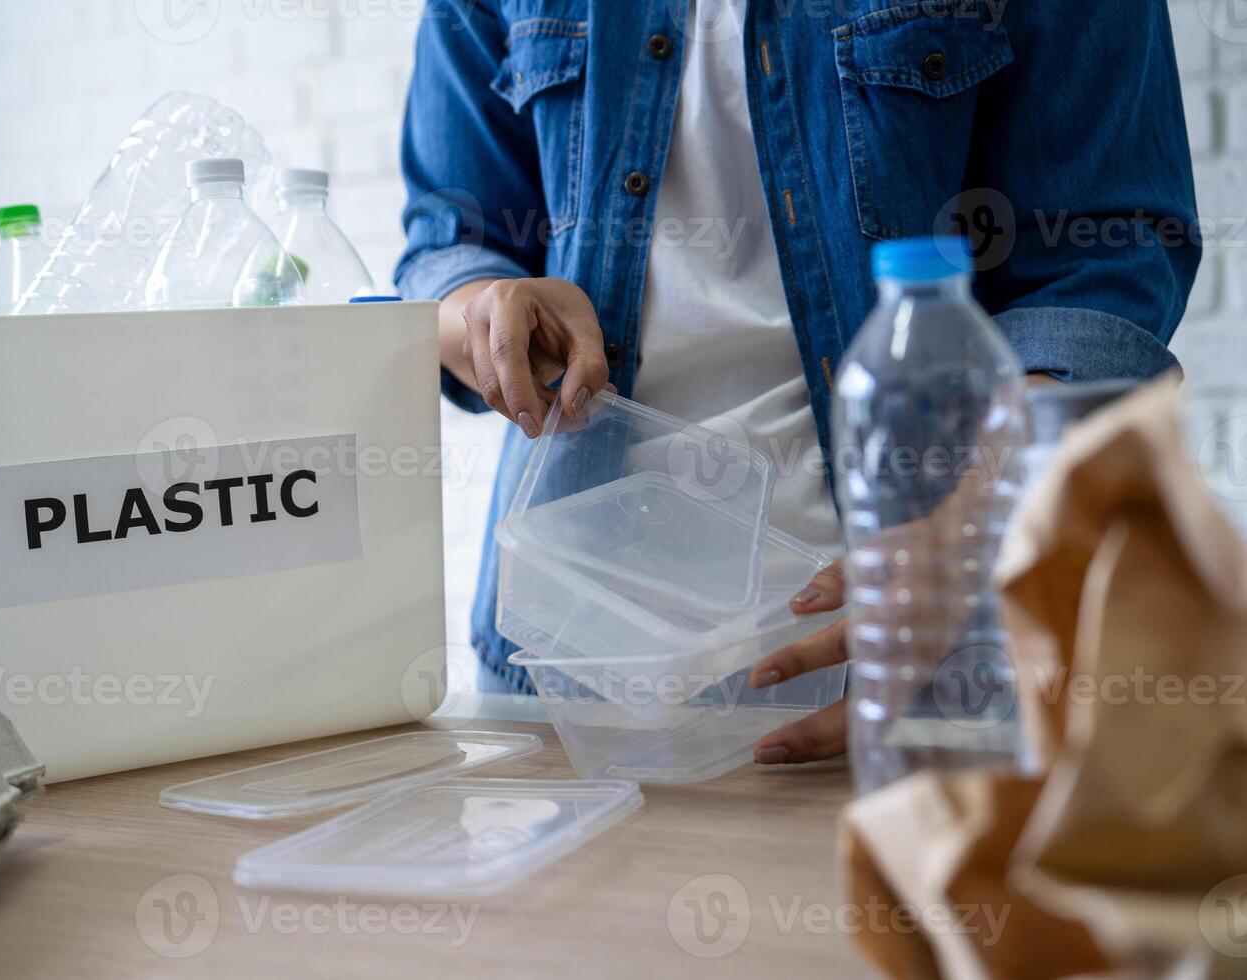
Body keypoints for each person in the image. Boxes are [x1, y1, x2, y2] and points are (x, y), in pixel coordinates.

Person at [394, 0, 1199, 765]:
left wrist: (978, 531)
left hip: (917, 652)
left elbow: (1107, 249)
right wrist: (487, 310)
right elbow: (448, 241)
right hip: (566, 665)